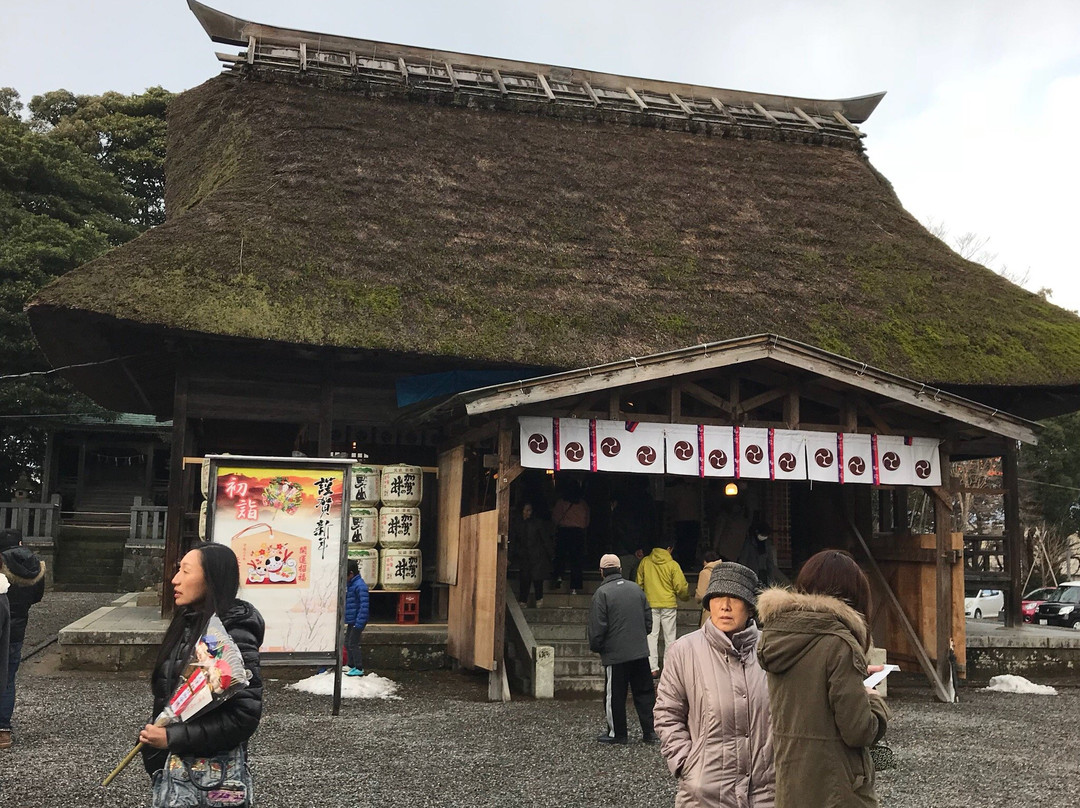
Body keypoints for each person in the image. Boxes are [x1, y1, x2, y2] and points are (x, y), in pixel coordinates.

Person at [756, 549, 889, 808]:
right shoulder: (839, 643)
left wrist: (855, 679)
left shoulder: (779, 638)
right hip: (837, 790)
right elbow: (859, 731)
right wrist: (873, 701)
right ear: (853, 596)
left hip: (791, 785)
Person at [654, 562, 775, 807]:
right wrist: (686, 764)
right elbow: (667, 713)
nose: (725, 606)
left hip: (767, 792)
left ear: (751, 608)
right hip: (705, 794)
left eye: (735, 598)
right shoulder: (684, 651)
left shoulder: (773, 649)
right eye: (717, 597)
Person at [141, 543, 264, 781]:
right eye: (178, 570)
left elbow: (243, 717)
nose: (175, 580)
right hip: (174, 769)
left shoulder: (233, 633)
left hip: (209, 778)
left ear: (212, 579)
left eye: (186, 572)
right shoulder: (188, 623)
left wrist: (172, 738)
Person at [587, 553, 658, 745]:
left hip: (615, 654)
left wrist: (597, 646)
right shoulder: (636, 589)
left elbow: (598, 626)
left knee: (615, 695)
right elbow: (648, 620)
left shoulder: (601, 594)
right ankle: (650, 732)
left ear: (601, 572)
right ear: (619, 569)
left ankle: (617, 733)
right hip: (639, 651)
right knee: (644, 692)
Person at [0, 528, 45, 750]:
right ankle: (3, 732)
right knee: (7, 678)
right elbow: (37, 596)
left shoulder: (1, 562)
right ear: (20, 542)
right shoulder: (34, 565)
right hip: (17, 628)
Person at [636, 540, 690, 676]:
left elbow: (639, 584)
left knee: (651, 636)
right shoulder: (673, 565)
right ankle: (668, 668)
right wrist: (685, 597)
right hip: (668, 604)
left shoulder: (645, 562)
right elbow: (681, 587)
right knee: (670, 637)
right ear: (669, 548)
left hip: (650, 603)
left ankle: (652, 668)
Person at [551, 480, 590, 594]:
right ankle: (575, 587)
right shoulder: (583, 504)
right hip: (578, 533)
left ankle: (558, 576)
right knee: (577, 560)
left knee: (560, 556)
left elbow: (555, 517)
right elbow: (586, 520)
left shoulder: (561, 502)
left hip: (564, 531)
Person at [512, 502, 553, 607]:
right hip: (524, 555)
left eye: (529, 510)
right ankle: (523, 600)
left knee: (537, 579)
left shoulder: (537, 523)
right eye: (526, 510)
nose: (528, 513)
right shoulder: (518, 524)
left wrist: (550, 553)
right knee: (524, 578)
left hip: (536, 555)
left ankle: (538, 599)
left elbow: (544, 539)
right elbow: (514, 540)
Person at [344, 559, 370, 676]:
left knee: (353, 643)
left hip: (358, 620)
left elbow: (364, 606)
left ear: (351, 573)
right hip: (352, 620)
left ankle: (358, 668)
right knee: (347, 642)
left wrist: (359, 623)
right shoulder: (352, 584)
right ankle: (351, 665)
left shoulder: (360, 586)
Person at [694, 551, 722, 627]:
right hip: (721, 607)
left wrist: (697, 599)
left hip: (709, 608)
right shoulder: (723, 571)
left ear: (705, 561)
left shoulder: (705, 573)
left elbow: (701, 594)